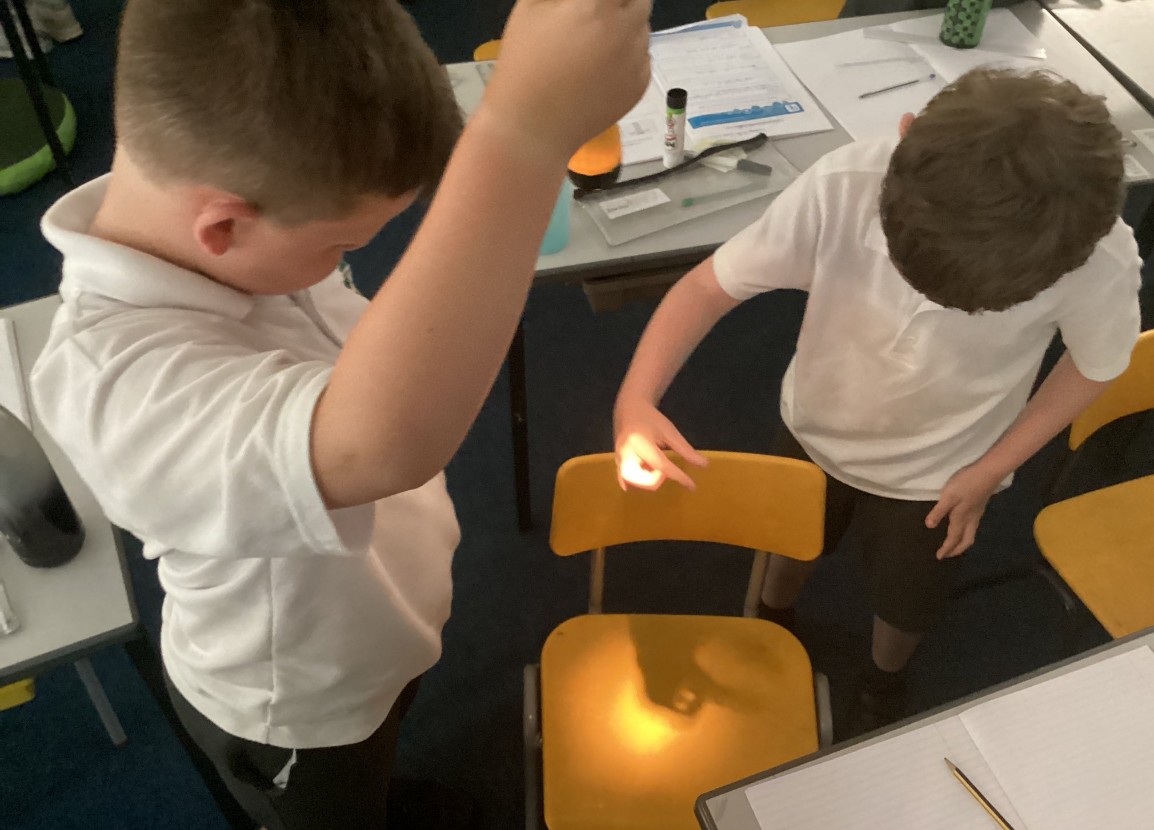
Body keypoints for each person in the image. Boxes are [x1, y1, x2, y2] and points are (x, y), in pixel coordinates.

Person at [29, 0, 651, 827]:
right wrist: (524, 135)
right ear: (223, 225)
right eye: (343, 247)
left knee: (383, 746)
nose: (342, 265)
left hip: (374, 634)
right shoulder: (114, 388)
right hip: (298, 711)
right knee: (342, 801)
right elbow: (376, 447)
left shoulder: (245, 222)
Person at [613, 68, 1141, 732]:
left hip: (944, 473)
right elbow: (707, 287)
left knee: (908, 598)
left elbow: (1096, 365)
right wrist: (635, 399)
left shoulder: (1097, 255)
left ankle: (884, 676)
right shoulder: (841, 185)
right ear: (904, 138)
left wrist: (992, 468)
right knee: (789, 542)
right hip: (815, 424)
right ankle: (773, 615)